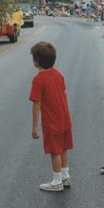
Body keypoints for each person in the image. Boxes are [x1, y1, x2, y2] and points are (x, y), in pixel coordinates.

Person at [29, 42, 73, 192]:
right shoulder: (58, 74)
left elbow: (36, 104)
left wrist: (35, 126)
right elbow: (65, 94)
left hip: (51, 121)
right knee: (64, 148)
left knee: (55, 151)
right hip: (64, 117)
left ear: (36, 61)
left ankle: (56, 181)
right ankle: (66, 176)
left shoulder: (38, 80)